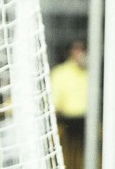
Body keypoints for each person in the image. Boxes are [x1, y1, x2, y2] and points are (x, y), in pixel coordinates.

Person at [50, 40, 88, 169]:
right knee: (68, 158)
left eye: (83, 50)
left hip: (88, 121)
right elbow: (54, 102)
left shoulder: (93, 73)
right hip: (68, 122)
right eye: (78, 50)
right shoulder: (60, 72)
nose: (81, 54)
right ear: (71, 52)